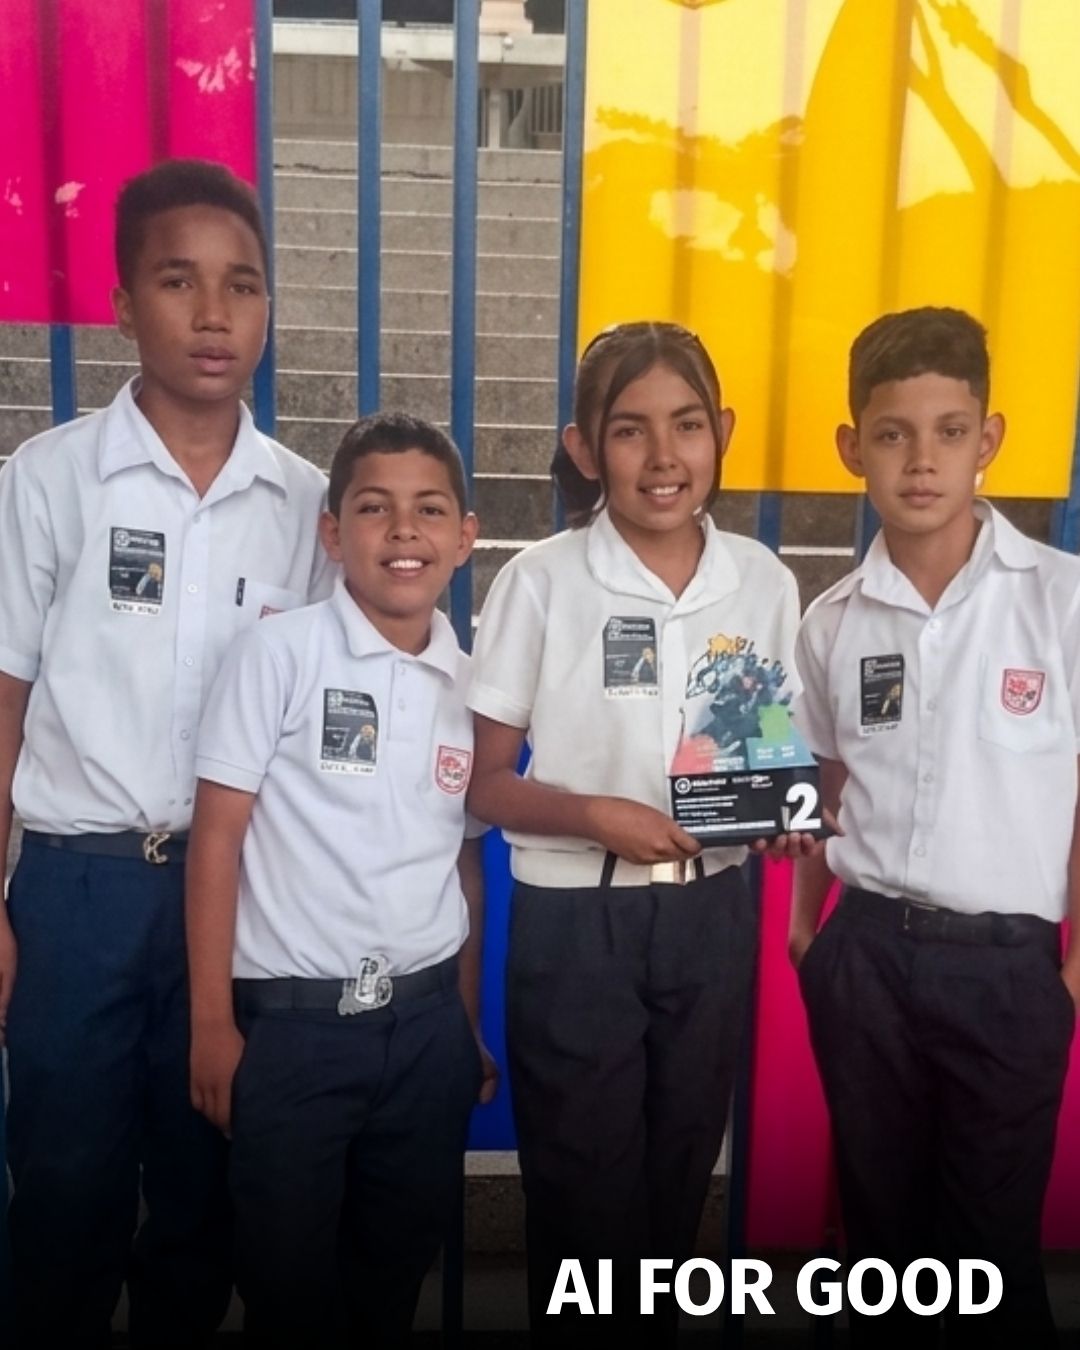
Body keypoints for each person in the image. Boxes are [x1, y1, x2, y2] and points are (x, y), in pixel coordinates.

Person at [0, 158, 333, 1348]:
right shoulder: (49, 481)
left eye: (242, 285)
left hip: (232, 896)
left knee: (203, 1201)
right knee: (63, 1195)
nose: (212, 313)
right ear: (121, 304)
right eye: (178, 281)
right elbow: (4, 702)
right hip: (77, 892)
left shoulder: (307, 507)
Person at [466, 321, 808, 1342]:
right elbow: (486, 784)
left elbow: (764, 747)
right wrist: (592, 816)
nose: (664, 456)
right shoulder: (542, 580)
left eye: (687, 425)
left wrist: (780, 816)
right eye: (630, 430)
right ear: (584, 447)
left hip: (711, 920)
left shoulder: (763, 580)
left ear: (722, 432)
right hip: (579, 929)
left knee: (675, 1185)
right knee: (583, 1205)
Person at [789, 306, 1080, 1348]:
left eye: (949, 432)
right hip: (866, 958)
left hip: (1009, 972)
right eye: (893, 434)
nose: (921, 461)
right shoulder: (831, 621)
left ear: (988, 438)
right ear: (851, 447)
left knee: (988, 1254)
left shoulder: (1062, 603)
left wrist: (1071, 972)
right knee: (883, 1244)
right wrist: (808, 931)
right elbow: (824, 783)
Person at [186, 412, 498, 1349]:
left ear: (464, 537)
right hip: (294, 1035)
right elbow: (217, 840)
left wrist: (464, 1025)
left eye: (429, 510)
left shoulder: (473, 687)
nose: (403, 531)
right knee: (286, 1289)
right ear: (331, 532)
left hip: (426, 1032)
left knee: (390, 1281)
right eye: (374, 508)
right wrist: (212, 1027)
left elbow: (464, 863)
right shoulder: (278, 654)